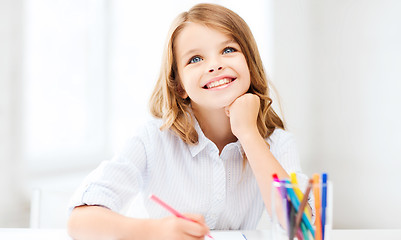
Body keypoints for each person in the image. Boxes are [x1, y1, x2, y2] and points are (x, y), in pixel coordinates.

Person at [67, 3, 312, 240]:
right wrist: (155, 232)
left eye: (228, 50)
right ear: (179, 85)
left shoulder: (277, 143)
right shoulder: (153, 138)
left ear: (250, 63)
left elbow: (303, 229)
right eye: (195, 59)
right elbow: (79, 222)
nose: (215, 65)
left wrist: (248, 134)